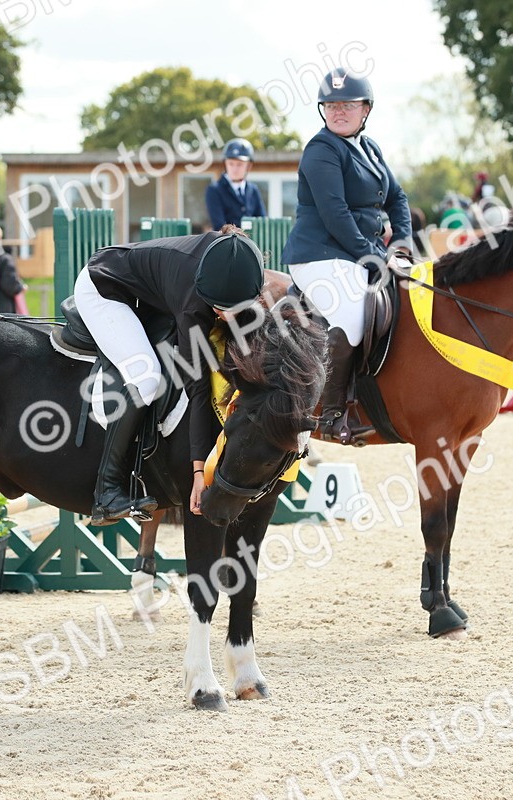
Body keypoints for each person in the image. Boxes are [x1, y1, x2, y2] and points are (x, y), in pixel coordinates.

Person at [73, 229, 264, 524]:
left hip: (149, 293)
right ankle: (107, 490)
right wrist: (200, 471)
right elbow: (197, 388)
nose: (225, 316)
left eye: (233, 310)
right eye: (218, 309)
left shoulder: (239, 264)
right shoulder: (193, 301)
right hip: (104, 289)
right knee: (146, 376)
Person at [280, 67, 412, 444]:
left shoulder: (369, 149)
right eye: (332, 105)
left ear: (365, 110)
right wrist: (376, 257)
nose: (339, 111)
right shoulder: (320, 150)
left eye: (348, 105)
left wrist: (401, 243)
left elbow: (397, 198)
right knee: (353, 318)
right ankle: (332, 412)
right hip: (320, 255)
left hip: (358, 254)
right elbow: (335, 214)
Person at [205, 138, 266, 229]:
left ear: (249, 166)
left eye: (239, 164)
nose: (234, 169)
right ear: (225, 164)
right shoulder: (214, 190)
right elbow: (219, 226)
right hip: (227, 242)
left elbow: (262, 221)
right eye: (231, 164)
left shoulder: (253, 190)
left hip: (253, 241)